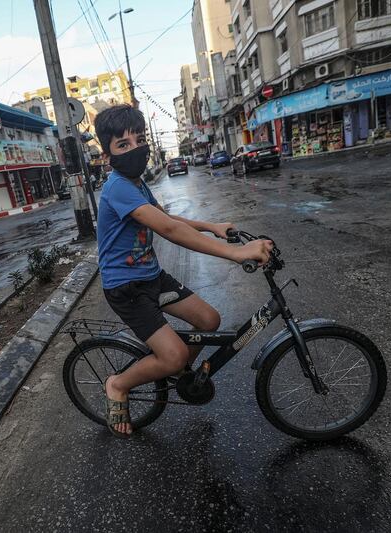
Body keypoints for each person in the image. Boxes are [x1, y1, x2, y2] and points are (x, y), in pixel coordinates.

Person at [94, 104, 273, 438]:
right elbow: (169, 231)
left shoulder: (137, 184)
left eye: (139, 139)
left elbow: (170, 218)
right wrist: (235, 253)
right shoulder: (117, 187)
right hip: (127, 289)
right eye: (123, 144)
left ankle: (175, 370)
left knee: (208, 321)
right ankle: (118, 384)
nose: (135, 149)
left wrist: (211, 226)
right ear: (107, 155)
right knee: (174, 354)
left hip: (152, 277)